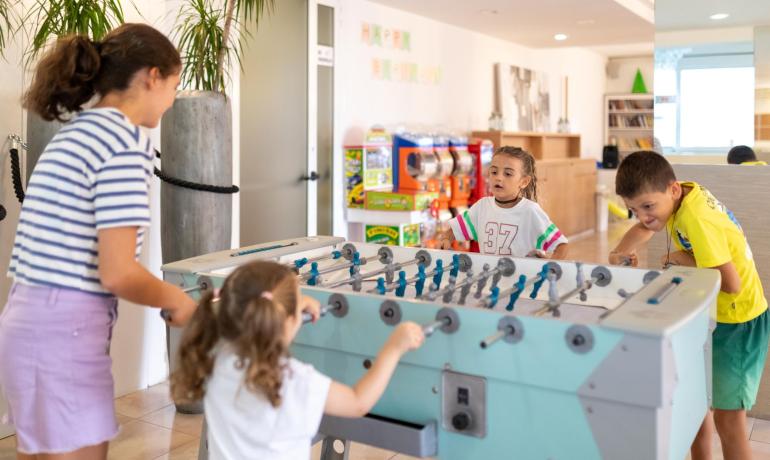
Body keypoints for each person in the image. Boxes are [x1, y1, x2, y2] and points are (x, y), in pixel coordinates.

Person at [0, 24, 198, 459]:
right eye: (174, 85)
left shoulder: (75, 133)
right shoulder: (124, 143)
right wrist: (177, 298)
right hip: (63, 333)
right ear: (152, 76)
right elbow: (118, 271)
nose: (171, 100)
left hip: (28, 322)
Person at [170, 261, 425, 459]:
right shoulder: (295, 379)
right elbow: (358, 402)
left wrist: (294, 305)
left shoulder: (216, 358)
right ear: (291, 321)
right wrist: (393, 348)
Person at [608, 151, 768, 460]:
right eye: (634, 209)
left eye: (648, 207)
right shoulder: (679, 196)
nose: (642, 216)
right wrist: (620, 251)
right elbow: (647, 227)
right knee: (694, 407)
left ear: (673, 189)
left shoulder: (697, 218)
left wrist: (679, 259)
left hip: (738, 321)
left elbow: (730, 283)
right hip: (711, 314)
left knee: (728, 420)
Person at [439, 146, 568, 259]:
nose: (499, 178)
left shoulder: (531, 211)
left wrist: (550, 264)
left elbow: (562, 245)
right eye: (494, 172)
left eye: (508, 174)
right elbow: (454, 230)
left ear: (524, 182)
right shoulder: (482, 206)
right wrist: (446, 240)